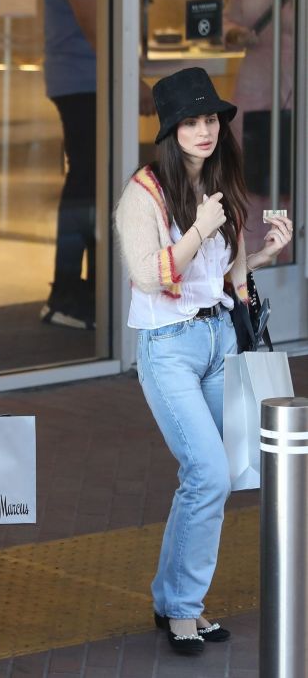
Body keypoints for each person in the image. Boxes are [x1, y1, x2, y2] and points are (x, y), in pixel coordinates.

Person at [115, 67, 292, 655]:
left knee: (210, 476)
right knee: (210, 475)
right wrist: (195, 230)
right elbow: (150, 276)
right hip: (168, 350)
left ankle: (172, 600)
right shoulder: (141, 195)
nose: (203, 130)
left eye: (210, 118)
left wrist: (265, 253)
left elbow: (224, 276)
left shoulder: (220, 179)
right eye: (190, 121)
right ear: (170, 130)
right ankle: (183, 610)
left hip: (220, 341)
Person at [40, 0, 156, 330]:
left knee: (97, 186)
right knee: (86, 183)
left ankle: (91, 290)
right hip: (84, 83)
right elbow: (98, 30)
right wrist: (132, 79)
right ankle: (66, 295)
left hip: (93, 81)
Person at [224, 0, 293, 260]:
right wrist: (235, 33)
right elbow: (228, 22)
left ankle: (290, 253)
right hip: (254, 80)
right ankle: (256, 254)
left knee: (291, 171)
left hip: (294, 77)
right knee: (252, 171)